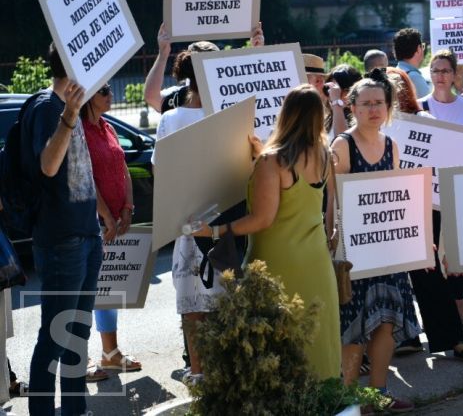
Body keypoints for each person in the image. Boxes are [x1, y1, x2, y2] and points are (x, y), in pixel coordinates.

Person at [191, 84, 342, 379]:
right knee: (316, 340)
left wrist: (214, 230)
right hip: (316, 261)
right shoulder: (324, 155)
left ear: (285, 113)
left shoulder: (272, 161)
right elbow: (315, 204)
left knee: (277, 345)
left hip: (277, 262)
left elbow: (262, 219)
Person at [331, 71, 420, 412]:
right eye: (366, 104)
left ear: (388, 107)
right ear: (352, 107)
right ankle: (348, 399)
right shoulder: (342, 145)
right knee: (353, 326)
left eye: (379, 103)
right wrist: (332, 239)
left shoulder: (392, 145)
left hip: (387, 249)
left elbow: (398, 196)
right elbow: (332, 201)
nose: (373, 110)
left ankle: (378, 393)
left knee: (386, 319)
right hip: (353, 251)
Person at [24, 44, 101, 415]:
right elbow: (49, 166)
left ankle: (75, 410)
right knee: (54, 339)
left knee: (77, 337)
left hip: (87, 237)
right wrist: (69, 116)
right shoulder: (46, 108)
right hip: (61, 242)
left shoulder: (70, 106)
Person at [154, 51, 221, 386]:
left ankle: (198, 372)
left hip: (187, 218)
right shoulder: (227, 115)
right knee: (220, 300)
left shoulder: (171, 118)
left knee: (193, 304)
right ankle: (222, 371)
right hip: (225, 216)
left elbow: (160, 169)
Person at [80, 84, 142, 379]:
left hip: (113, 221)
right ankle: (80, 360)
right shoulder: (79, 131)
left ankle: (110, 354)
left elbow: (123, 169)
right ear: (90, 96)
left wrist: (127, 208)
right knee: (87, 291)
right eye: (104, 90)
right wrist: (105, 215)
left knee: (107, 289)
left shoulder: (107, 127)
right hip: (91, 222)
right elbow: (85, 178)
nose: (110, 94)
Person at [418, 50, 463, 328]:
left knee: (456, 253)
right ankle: (438, 317)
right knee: (431, 255)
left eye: (444, 70)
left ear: (454, 74)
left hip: (457, 191)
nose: (439, 76)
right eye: (434, 70)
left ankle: (459, 309)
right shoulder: (420, 108)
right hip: (428, 194)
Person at [144, 22, 264, 113]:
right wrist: (163, 53)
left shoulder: (230, 95)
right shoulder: (180, 96)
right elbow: (152, 96)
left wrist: (163, 54)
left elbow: (260, 99)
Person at [324, 64, 362, 139]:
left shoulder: (361, 117)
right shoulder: (327, 118)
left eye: (344, 90)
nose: (335, 93)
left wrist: (336, 101)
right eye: (332, 89)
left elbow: (342, 141)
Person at [393, 28, 431, 97]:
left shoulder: (393, 74)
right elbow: (428, 106)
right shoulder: (414, 77)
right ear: (418, 49)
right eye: (422, 46)